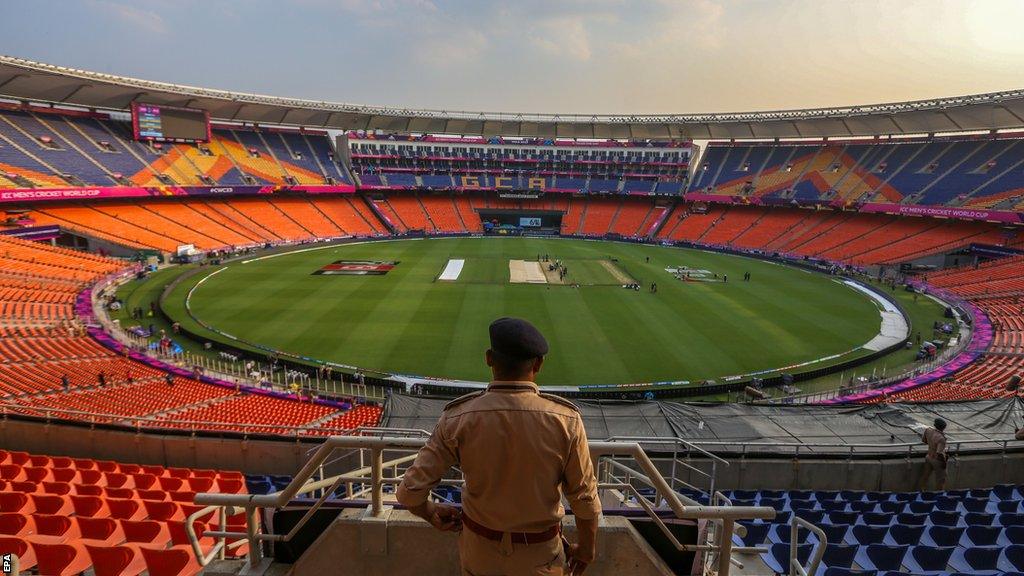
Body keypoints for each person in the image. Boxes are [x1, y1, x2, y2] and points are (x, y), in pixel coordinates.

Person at [397, 318, 600, 575]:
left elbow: (410, 492)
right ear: (538, 364)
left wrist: (429, 512)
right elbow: (584, 498)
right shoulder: (566, 420)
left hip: (479, 554)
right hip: (541, 557)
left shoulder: (458, 417)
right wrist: (586, 550)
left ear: (489, 359)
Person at [919, 418, 949, 490]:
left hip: (928, 456)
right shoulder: (941, 438)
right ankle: (939, 495)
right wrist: (944, 463)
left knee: (925, 475)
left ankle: (922, 490)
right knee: (941, 479)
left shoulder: (928, 430)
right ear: (944, 427)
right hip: (937, 460)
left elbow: (924, 440)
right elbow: (939, 453)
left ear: (935, 425)